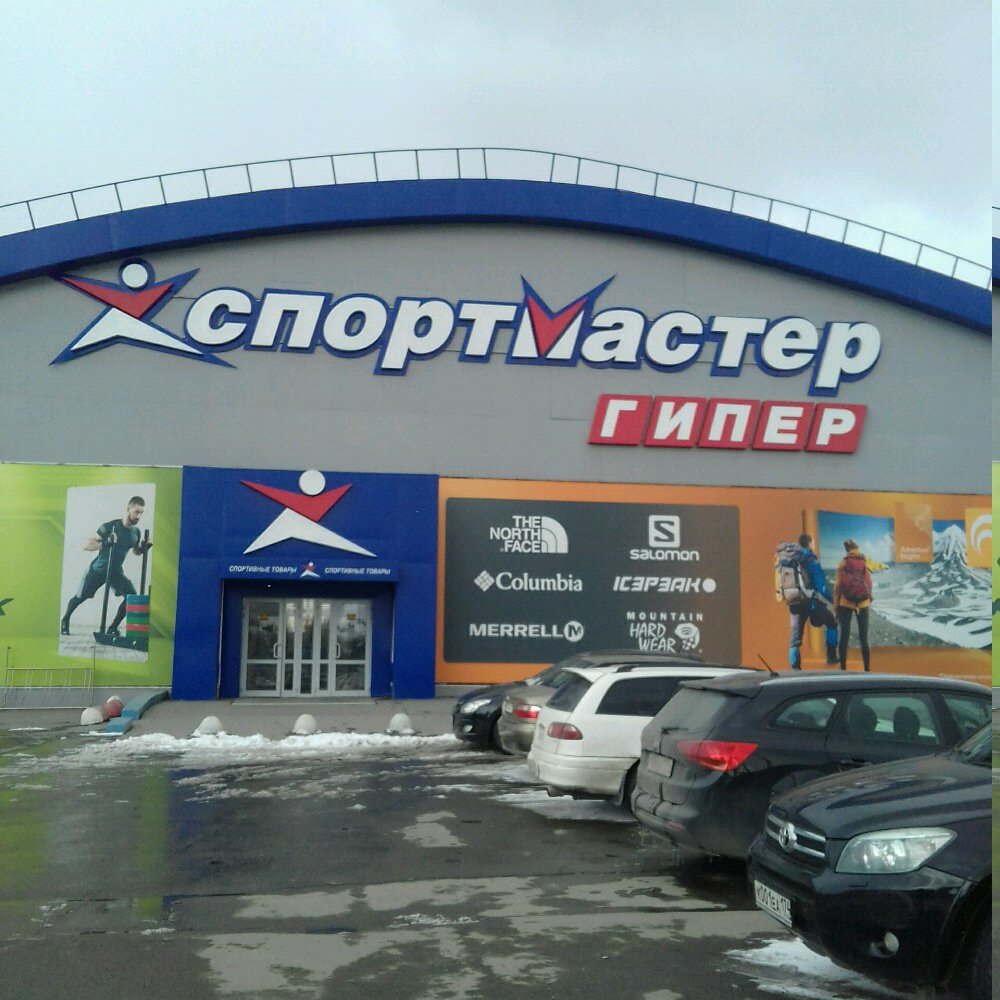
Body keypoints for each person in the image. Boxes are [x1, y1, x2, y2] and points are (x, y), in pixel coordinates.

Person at [60, 496, 152, 637]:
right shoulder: (109, 527)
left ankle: (112, 628)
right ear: (128, 509)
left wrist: (145, 548)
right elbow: (86, 545)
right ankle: (65, 620)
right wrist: (106, 542)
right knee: (80, 597)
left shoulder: (136, 532)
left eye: (141, 513)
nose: (139, 516)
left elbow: (136, 551)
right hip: (98, 570)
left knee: (131, 597)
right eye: (136, 512)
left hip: (115, 572)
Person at [787, 533, 838, 669]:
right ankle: (831, 657)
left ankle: (794, 667)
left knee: (795, 638)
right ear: (809, 543)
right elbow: (821, 587)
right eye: (813, 542)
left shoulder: (791, 559)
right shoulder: (811, 560)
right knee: (832, 622)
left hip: (794, 601)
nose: (814, 545)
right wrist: (832, 600)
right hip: (811, 602)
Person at [833, 538, 881, 671]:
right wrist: (870, 596)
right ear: (857, 548)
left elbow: (837, 587)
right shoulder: (864, 561)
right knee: (864, 637)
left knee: (844, 636)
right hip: (863, 603)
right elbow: (868, 581)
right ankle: (867, 669)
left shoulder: (843, 563)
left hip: (846, 602)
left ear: (847, 550)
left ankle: (843, 668)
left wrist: (836, 606)